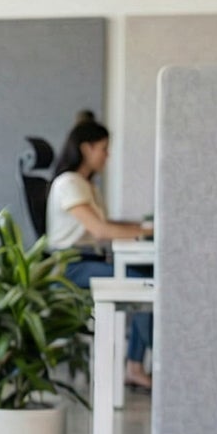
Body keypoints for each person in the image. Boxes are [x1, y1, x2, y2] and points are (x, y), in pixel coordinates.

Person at [46, 111, 155, 390]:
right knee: (144, 282)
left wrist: (141, 226)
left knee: (145, 274)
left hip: (87, 260)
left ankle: (134, 366)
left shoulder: (86, 185)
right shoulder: (69, 183)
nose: (107, 156)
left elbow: (106, 224)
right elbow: (100, 231)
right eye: (104, 149)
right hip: (71, 266)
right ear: (87, 148)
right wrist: (147, 232)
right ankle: (140, 364)